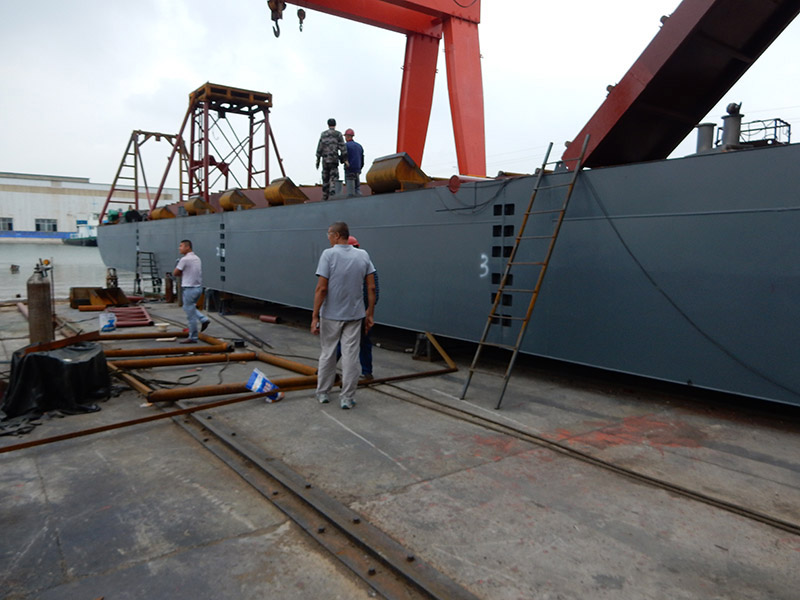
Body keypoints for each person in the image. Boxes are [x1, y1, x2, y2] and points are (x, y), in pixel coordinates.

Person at [312, 222, 376, 409]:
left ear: (337, 235)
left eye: (329, 234)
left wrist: (315, 315)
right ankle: (347, 397)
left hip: (331, 314)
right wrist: (370, 312)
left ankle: (323, 392)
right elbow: (371, 286)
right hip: (355, 315)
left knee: (328, 353)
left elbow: (322, 288)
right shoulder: (363, 255)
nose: (328, 237)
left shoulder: (328, 254)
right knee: (350, 356)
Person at [173, 239, 210, 344]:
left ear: (187, 247)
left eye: (181, 246)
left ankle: (193, 337)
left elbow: (175, 273)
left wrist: (178, 266)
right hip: (198, 288)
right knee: (188, 307)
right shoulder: (197, 258)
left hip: (189, 289)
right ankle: (203, 319)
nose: (179, 248)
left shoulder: (184, 260)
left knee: (190, 316)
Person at [315, 118, 348, 201]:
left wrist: (318, 160)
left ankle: (325, 196)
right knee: (334, 177)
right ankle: (332, 195)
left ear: (328, 124)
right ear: (335, 125)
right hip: (333, 160)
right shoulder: (338, 134)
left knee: (325, 177)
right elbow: (343, 148)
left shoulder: (323, 134)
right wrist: (345, 159)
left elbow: (319, 148)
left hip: (325, 160)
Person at [344, 128, 364, 196]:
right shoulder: (359, 146)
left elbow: (343, 157)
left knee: (350, 190)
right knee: (357, 188)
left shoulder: (346, 146)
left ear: (347, 136)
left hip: (349, 170)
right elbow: (362, 159)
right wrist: (359, 168)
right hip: (357, 169)